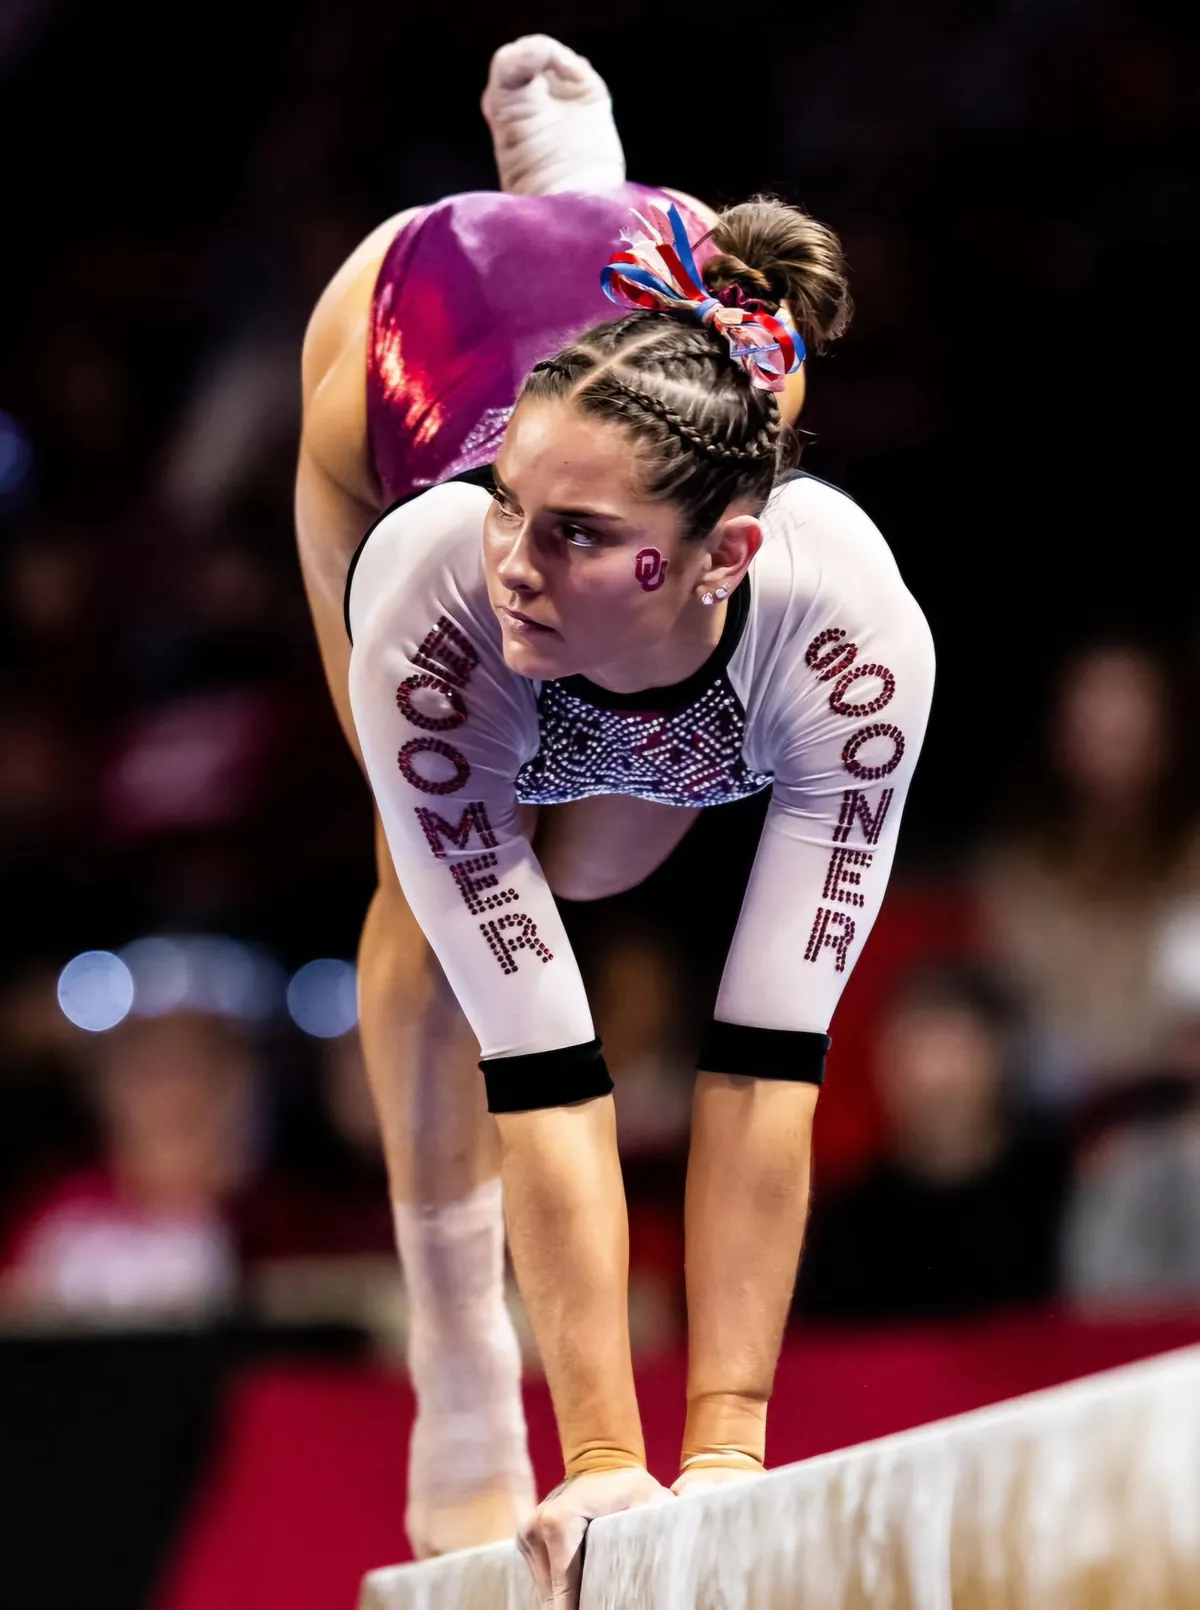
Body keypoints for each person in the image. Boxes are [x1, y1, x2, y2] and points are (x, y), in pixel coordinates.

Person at [299, 35, 935, 1597]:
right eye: (518, 503)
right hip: (399, 351)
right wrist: (596, 1450)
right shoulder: (449, 591)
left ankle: (590, 198)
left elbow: (769, 1058)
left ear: (724, 554)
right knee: (434, 892)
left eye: (570, 534)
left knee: (607, 843)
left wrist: (724, 1438)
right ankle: (456, 1366)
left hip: (669, 470)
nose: (520, 553)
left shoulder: (850, 647)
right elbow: (549, 1054)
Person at [795, 963, 1070, 1323]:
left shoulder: (1065, 1190)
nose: (934, 1081)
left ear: (1001, 1057)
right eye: (911, 1054)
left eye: (955, 1053)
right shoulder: (847, 1225)